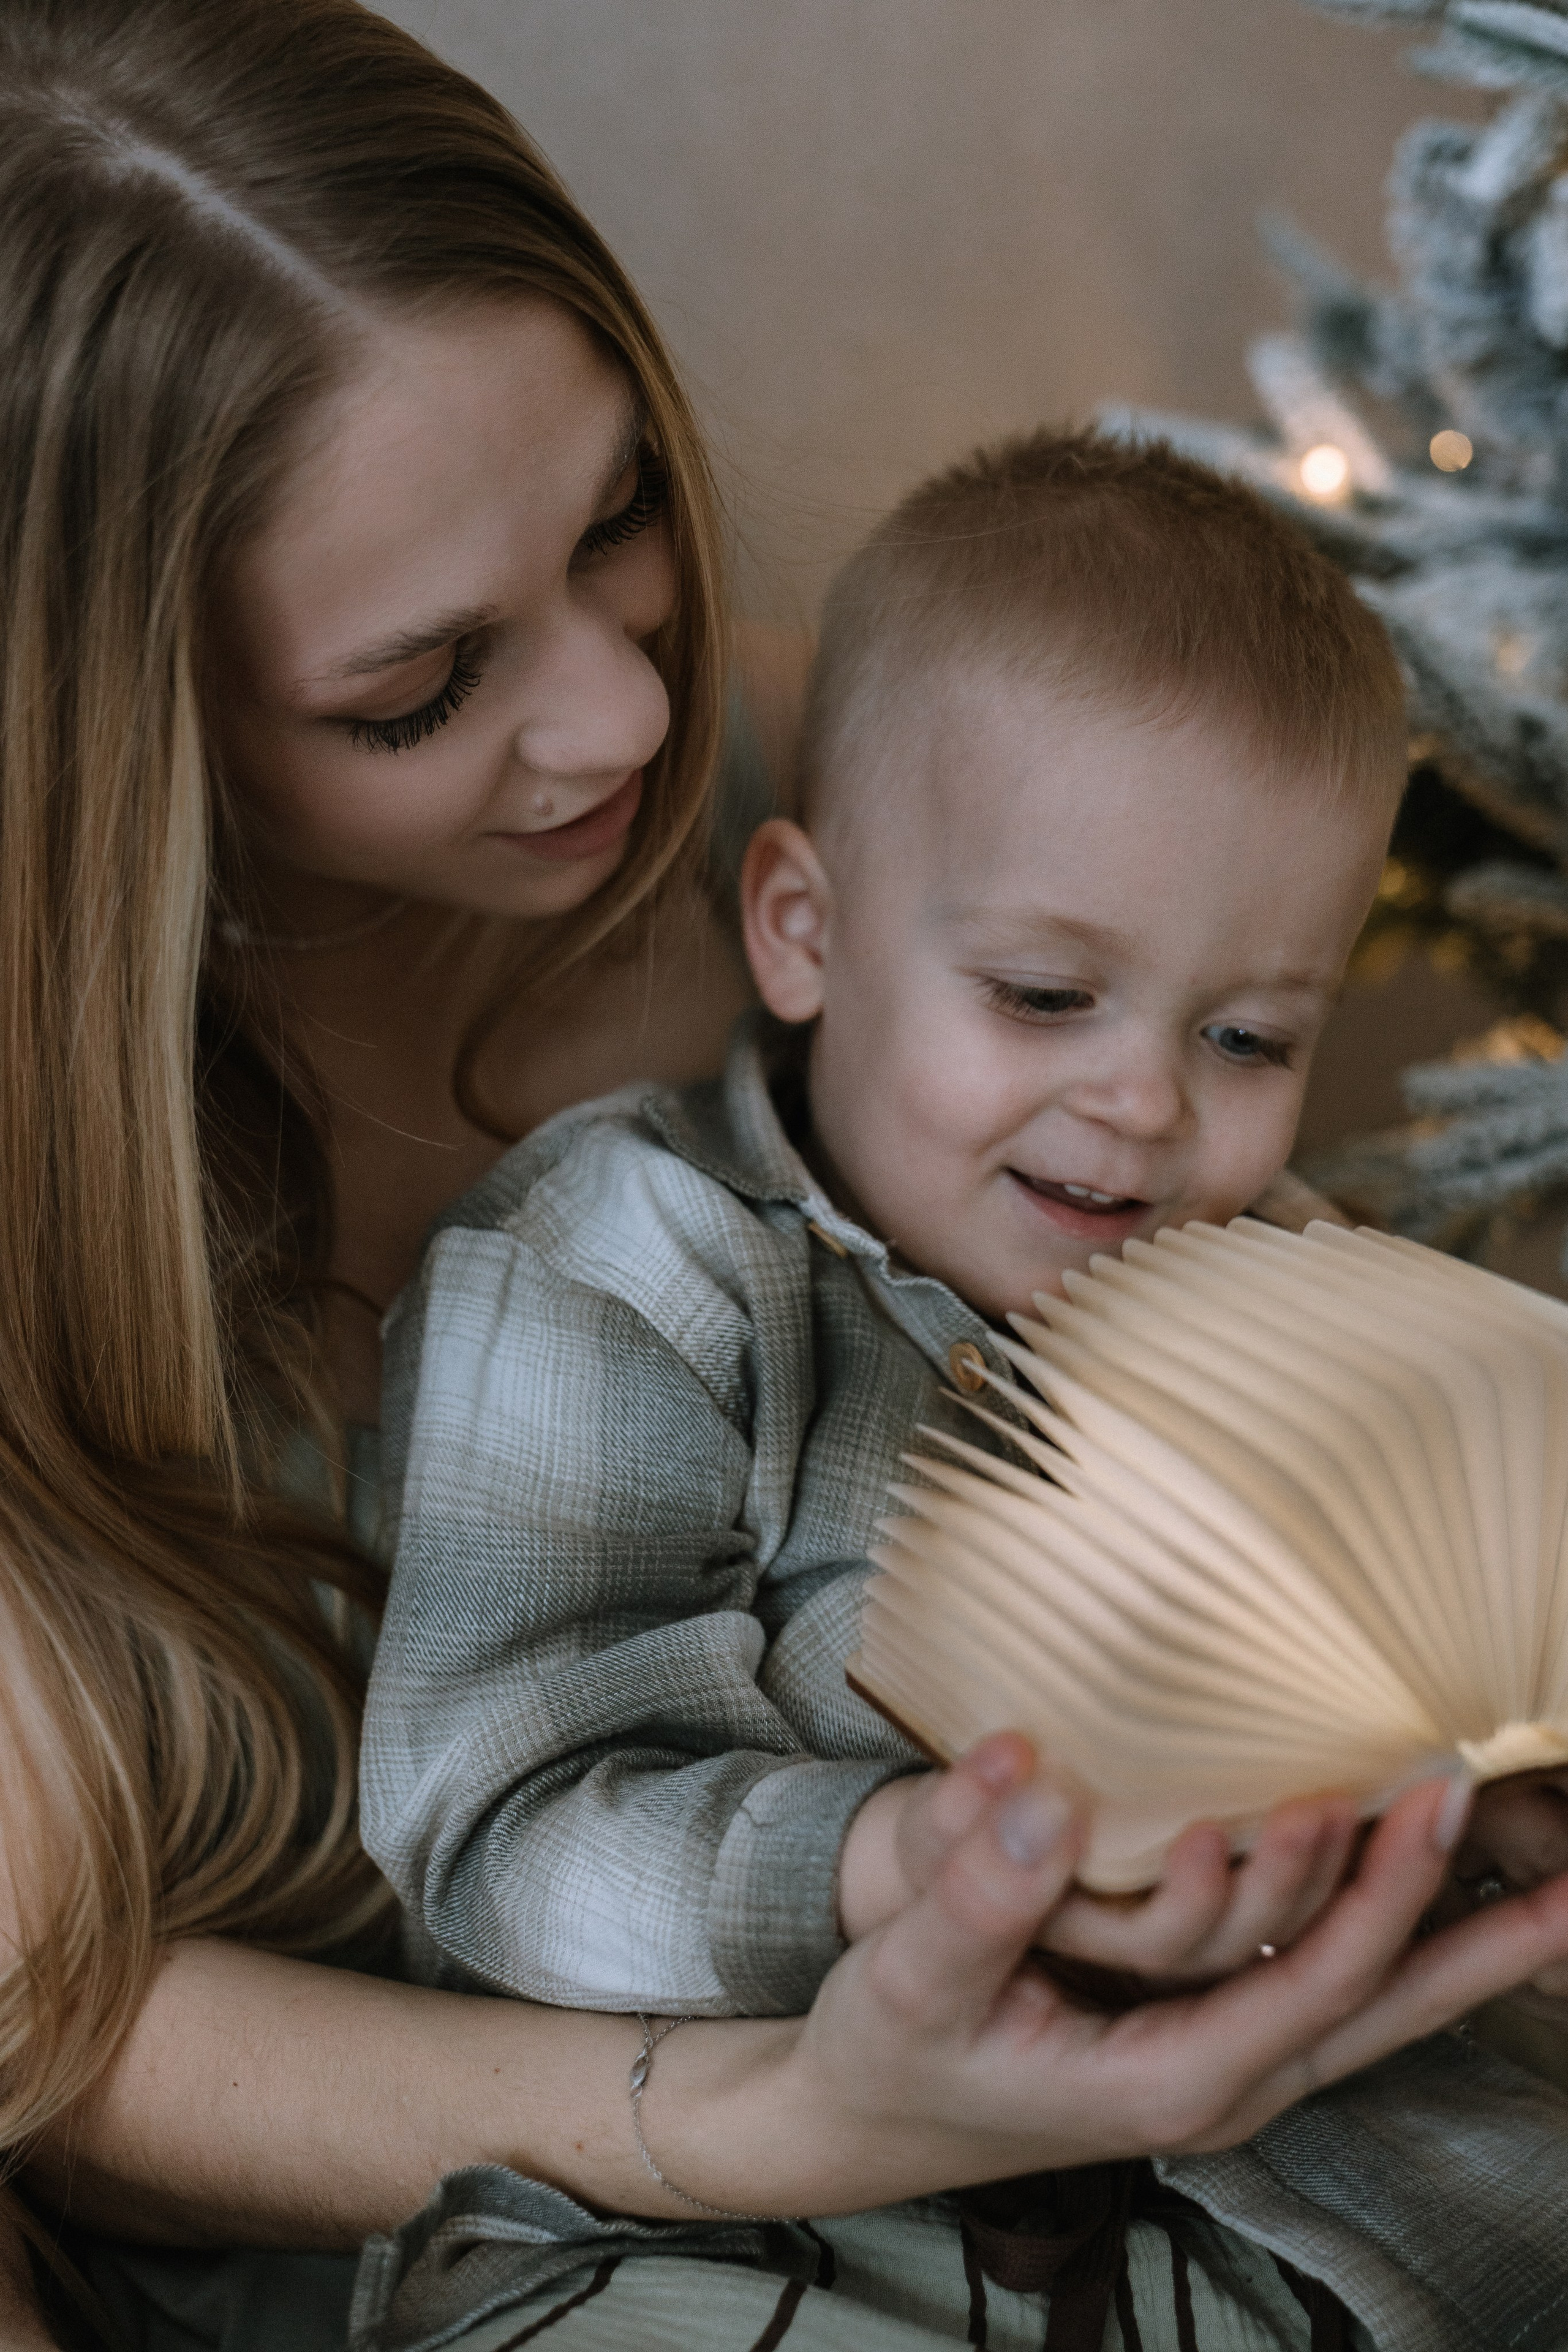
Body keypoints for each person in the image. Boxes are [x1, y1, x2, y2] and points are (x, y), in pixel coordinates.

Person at [4, 7, 1568, 2349]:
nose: (630, 716)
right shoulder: (622, 1250)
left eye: (615, 513)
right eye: (424, 682)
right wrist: (828, 2053)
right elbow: (60, 2028)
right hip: (602, 2189)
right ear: (112, 734)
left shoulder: (862, 832)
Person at [364, 432, 1568, 2349]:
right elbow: (501, 1826)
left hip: (1279, 2198)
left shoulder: (1296, 1296)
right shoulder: (636, 1269)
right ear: (807, 931)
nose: (1149, 1103)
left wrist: (1468, 1806)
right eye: (1041, 996)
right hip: (771, 2220)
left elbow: (1371, 1682)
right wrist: (885, 1863)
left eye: (1248, 1034)